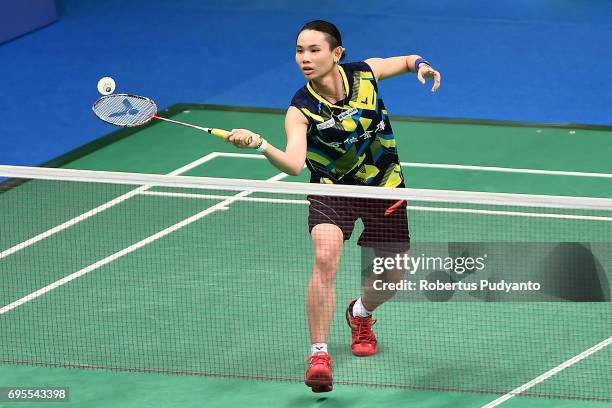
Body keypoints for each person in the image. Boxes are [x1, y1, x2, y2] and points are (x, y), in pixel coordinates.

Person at [224, 19, 441, 393]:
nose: (304, 59)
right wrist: (260, 145)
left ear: (336, 53)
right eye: (299, 51)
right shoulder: (300, 109)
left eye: (313, 50)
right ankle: (319, 355)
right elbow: (293, 164)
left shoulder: (365, 75)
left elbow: (405, 60)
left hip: (383, 185)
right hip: (332, 189)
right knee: (325, 259)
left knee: (391, 279)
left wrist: (422, 64)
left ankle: (360, 313)